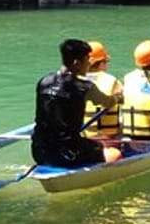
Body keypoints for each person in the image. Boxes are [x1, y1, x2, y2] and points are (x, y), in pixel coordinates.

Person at [32, 39, 122, 168]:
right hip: (67, 151)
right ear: (76, 63)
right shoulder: (84, 87)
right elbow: (107, 102)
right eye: (87, 60)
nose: (88, 64)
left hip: (38, 150)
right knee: (106, 151)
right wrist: (117, 97)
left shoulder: (43, 81)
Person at [82, 40, 122, 138]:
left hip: (82, 137)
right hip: (108, 138)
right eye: (106, 62)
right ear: (100, 64)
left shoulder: (74, 81)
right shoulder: (113, 81)